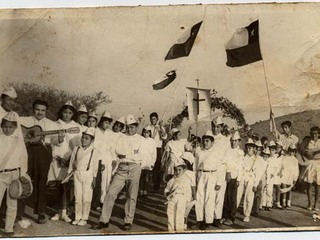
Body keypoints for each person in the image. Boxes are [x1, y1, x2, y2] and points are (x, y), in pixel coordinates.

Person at [93, 114, 145, 231]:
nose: (130, 129)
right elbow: (118, 150)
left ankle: (128, 221)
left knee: (131, 195)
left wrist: (128, 154)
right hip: (122, 167)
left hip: (135, 167)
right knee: (111, 192)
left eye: (133, 127)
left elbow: (142, 155)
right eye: (128, 127)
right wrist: (132, 153)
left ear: (136, 127)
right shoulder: (121, 137)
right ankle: (104, 220)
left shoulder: (141, 139)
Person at [20, 99, 58, 224]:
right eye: (37, 109)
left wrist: (60, 139)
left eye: (43, 110)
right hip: (27, 151)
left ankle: (40, 212)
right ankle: (19, 212)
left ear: (46, 111)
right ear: (33, 109)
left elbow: (56, 142)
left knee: (41, 182)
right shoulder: (25, 120)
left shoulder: (52, 124)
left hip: (43, 153)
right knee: (23, 180)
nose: (40, 112)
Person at [48, 101, 80, 222]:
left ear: (73, 114)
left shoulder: (76, 127)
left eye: (70, 113)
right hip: (57, 159)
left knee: (67, 186)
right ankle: (58, 211)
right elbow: (51, 143)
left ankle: (65, 212)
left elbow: (77, 145)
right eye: (65, 112)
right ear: (61, 112)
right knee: (58, 186)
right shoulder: (54, 124)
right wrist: (57, 157)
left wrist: (70, 159)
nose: (67, 115)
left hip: (69, 160)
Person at [63, 127, 99, 226]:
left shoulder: (94, 151)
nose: (83, 140)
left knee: (86, 197)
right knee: (77, 196)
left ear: (92, 140)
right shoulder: (76, 149)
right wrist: (68, 175)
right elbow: (71, 164)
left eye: (87, 138)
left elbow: (95, 166)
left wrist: (94, 178)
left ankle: (84, 218)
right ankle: (78, 217)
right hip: (77, 174)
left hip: (88, 175)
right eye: (83, 137)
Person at [0, 111, 28, 236]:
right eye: (5, 126)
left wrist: (23, 173)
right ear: (1, 126)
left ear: (15, 127)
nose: (7, 129)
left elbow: (23, 158)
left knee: (12, 203)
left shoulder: (18, 141)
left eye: (10, 127)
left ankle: (8, 229)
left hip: (14, 174)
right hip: (1, 174)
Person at [195, 131, 225, 230]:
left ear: (212, 142)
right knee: (199, 198)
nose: (205, 143)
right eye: (204, 141)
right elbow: (195, 166)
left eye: (207, 141)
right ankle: (200, 220)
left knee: (209, 199)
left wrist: (219, 182)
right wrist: (195, 179)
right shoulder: (199, 151)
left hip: (212, 175)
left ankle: (208, 221)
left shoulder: (217, 153)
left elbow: (221, 168)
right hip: (201, 175)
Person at [238, 138, 266, 222]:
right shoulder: (244, 157)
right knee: (238, 195)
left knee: (249, 197)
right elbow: (240, 168)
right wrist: (239, 179)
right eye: (247, 148)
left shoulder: (257, 159)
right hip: (243, 177)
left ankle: (247, 214)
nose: (248, 149)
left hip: (251, 178)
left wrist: (255, 184)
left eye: (250, 148)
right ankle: (233, 211)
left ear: (254, 148)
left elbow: (258, 173)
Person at [164, 158, 196, 232]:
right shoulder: (172, 180)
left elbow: (188, 192)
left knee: (179, 216)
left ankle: (179, 232)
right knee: (170, 215)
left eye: (179, 170)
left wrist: (188, 201)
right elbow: (167, 189)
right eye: (176, 170)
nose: (177, 172)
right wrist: (167, 193)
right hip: (172, 199)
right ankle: (171, 231)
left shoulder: (187, 180)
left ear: (184, 170)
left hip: (182, 199)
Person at [210, 116, 229, 227]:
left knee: (220, 195)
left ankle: (217, 217)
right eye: (214, 126)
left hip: (221, 169)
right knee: (211, 194)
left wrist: (228, 172)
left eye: (218, 127)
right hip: (211, 169)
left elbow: (227, 157)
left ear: (221, 127)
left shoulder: (225, 140)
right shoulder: (209, 137)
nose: (215, 129)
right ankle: (209, 217)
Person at [92, 110, 114, 210]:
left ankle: (103, 201)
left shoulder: (110, 133)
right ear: (101, 122)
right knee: (97, 181)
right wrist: (99, 160)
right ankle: (95, 202)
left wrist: (113, 159)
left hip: (107, 159)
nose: (107, 125)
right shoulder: (95, 131)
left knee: (107, 181)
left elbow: (112, 147)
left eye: (109, 123)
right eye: (105, 122)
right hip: (97, 159)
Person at [223, 131, 244, 225]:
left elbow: (240, 167)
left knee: (232, 198)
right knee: (225, 197)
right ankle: (225, 215)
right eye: (232, 141)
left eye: (235, 141)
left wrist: (239, 179)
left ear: (239, 142)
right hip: (226, 176)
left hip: (234, 177)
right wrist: (227, 173)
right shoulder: (227, 150)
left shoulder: (240, 152)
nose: (233, 143)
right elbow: (226, 162)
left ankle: (231, 217)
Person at [301, 126, 320, 210]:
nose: (314, 135)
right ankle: (309, 203)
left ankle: (316, 204)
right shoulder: (307, 140)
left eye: (316, 133)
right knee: (309, 184)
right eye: (312, 133)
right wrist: (306, 152)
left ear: (319, 134)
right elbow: (300, 147)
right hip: (310, 163)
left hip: (319, 163)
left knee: (318, 185)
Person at [149, 112, 167, 192]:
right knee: (149, 166)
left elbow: (164, 136)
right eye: (151, 119)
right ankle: (146, 185)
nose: (153, 120)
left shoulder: (160, 127)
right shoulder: (148, 127)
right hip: (149, 148)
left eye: (154, 119)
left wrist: (160, 128)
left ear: (157, 119)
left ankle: (156, 185)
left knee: (157, 167)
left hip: (157, 148)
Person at [280, 145, 299, 209]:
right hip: (284, 175)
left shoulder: (295, 160)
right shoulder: (285, 157)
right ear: (288, 151)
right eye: (290, 151)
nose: (291, 153)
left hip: (291, 176)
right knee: (284, 189)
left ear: (295, 152)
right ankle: (283, 202)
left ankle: (288, 203)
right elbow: (281, 166)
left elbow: (296, 170)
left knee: (289, 190)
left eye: (293, 152)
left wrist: (295, 178)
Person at [140, 125, 156, 196]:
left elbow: (154, 153)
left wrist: (153, 162)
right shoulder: (140, 139)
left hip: (148, 160)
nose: (146, 134)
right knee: (141, 176)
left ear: (150, 133)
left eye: (147, 133)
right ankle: (140, 189)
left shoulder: (152, 141)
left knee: (146, 176)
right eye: (144, 132)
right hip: (141, 160)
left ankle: (145, 190)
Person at [266, 141, 283, 209]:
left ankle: (273, 203)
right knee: (267, 190)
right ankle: (267, 203)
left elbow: (277, 167)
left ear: (275, 150)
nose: (271, 152)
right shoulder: (268, 158)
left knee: (274, 189)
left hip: (274, 175)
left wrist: (274, 173)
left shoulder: (277, 157)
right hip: (268, 175)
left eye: (272, 150)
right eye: (270, 150)